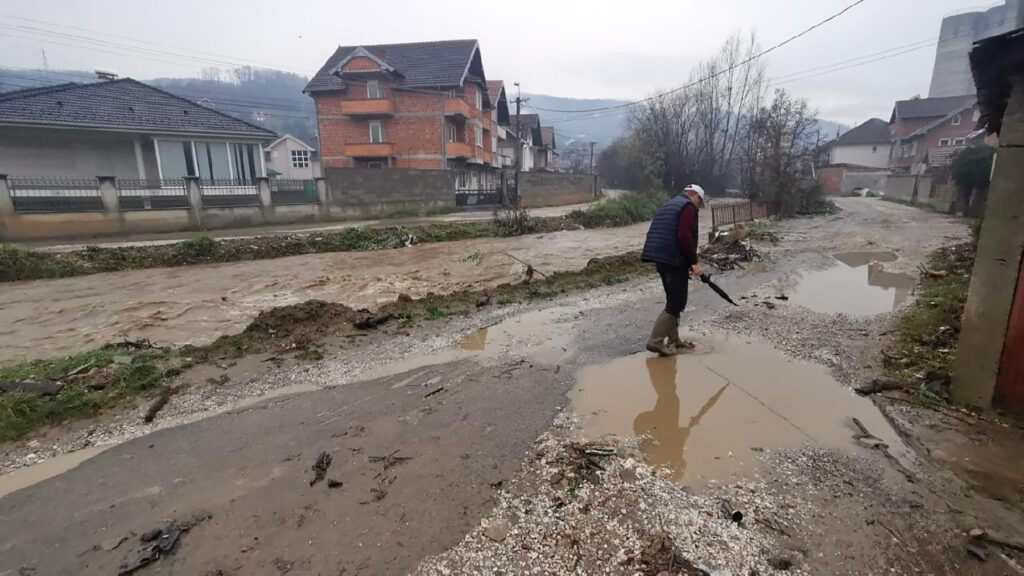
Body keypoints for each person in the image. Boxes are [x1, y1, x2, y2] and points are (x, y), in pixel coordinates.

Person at [640, 184, 705, 356]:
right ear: (695, 196)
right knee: (677, 303)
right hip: (673, 259)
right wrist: (694, 262)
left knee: (673, 302)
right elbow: (684, 236)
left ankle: (674, 340)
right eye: (699, 201)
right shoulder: (688, 207)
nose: (698, 205)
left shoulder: (669, 205)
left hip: (660, 257)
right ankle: (655, 341)